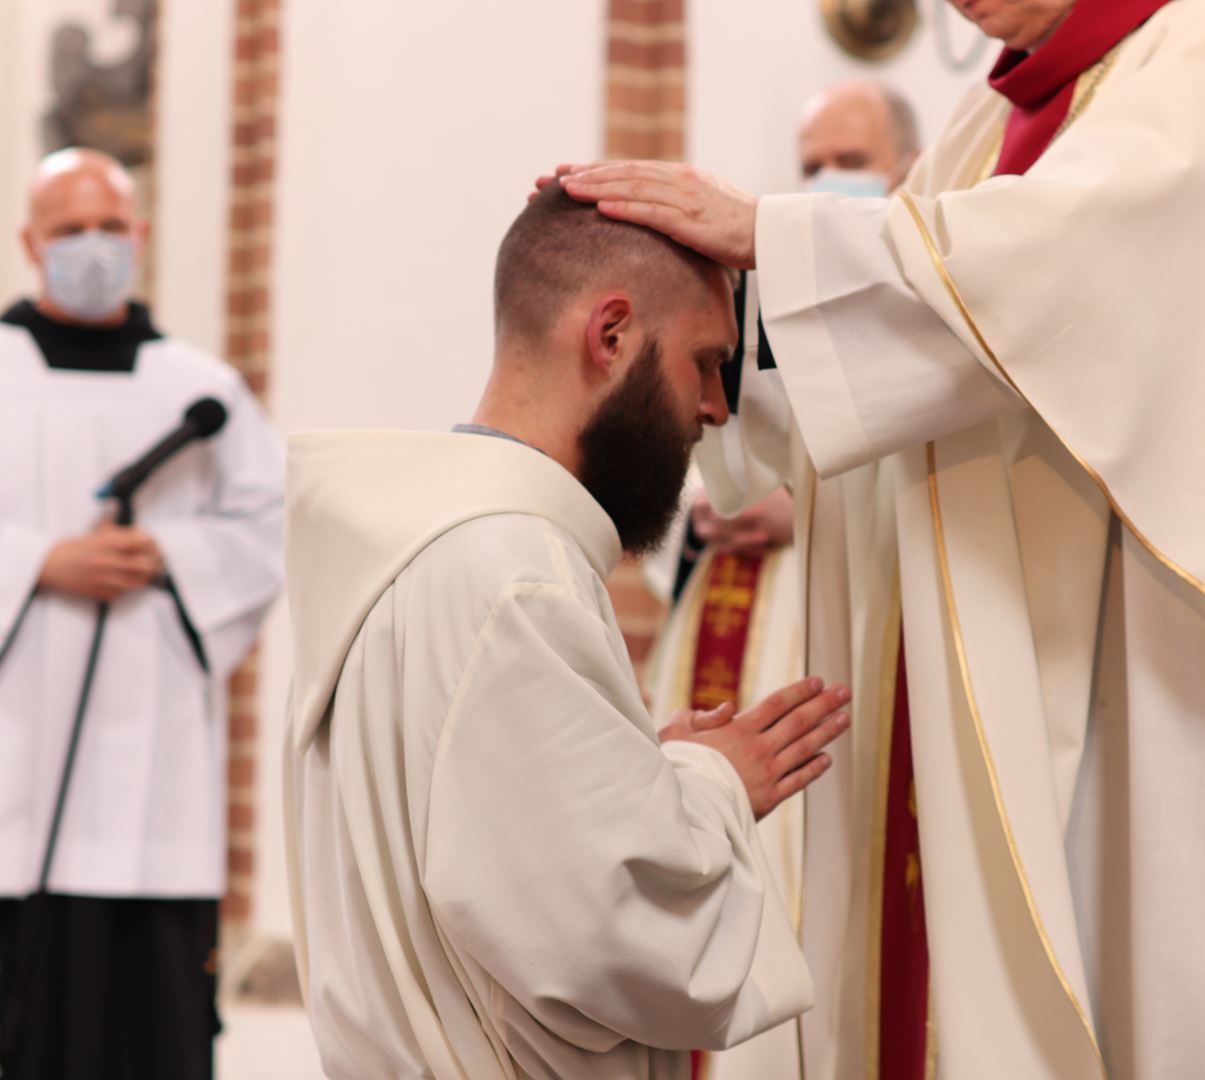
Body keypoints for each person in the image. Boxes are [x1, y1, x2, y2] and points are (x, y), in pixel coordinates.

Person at [554, 0, 1205, 1075]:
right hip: (1034, 702)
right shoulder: (980, 134)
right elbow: (902, 344)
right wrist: (722, 299)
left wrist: (772, 232)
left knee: (1192, 990)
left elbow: (1063, 265)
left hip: (1183, 686)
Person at [282, 185, 852, 1080]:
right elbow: (601, 933)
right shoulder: (514, 575)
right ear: (611, 334)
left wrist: (634, 777)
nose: (714, 407)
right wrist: (715, 783)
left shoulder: (426, 543)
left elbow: (489, 852)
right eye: (706, 362)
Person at [639, 78, 921, 1080]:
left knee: (822, 851)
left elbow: (922, 482)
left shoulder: (923, 293)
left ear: (907, 168)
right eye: (810, 164)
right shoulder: (758, 284)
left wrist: (799, 509)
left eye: (849, 159)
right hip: (726, 605)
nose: (826, 181)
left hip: (824, 614)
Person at [0, 148, 284, 1080]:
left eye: (110, 227)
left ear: (142, 237)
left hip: (156, 770)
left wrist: (171, 553)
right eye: (70, 228)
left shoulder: (201, 392)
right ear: (29, 242)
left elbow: (269, 529)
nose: (92, 246)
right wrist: (41, 560)